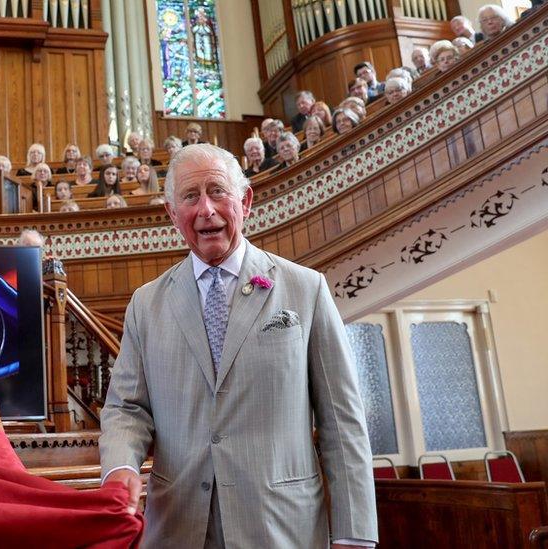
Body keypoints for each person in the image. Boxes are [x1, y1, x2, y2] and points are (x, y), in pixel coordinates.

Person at [99, 143, 377, 548]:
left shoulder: (305, 289)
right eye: (190, 197)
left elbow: (342, 420)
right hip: (178, 527)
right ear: (172, 214)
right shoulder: (146, 304)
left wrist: (355, 535)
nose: (206, 209)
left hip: (281, 527)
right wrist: (120, 465)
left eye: (217, 191)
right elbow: (127, 407)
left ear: (245, 201)